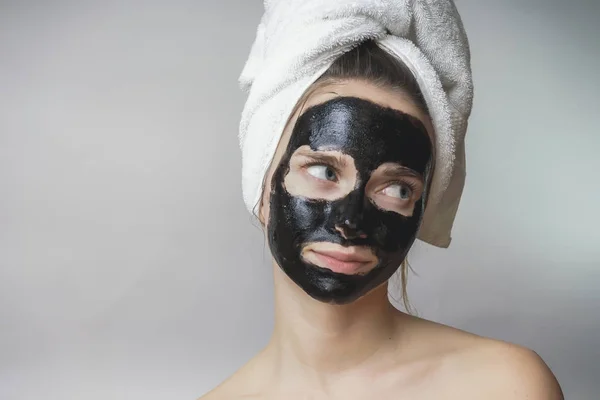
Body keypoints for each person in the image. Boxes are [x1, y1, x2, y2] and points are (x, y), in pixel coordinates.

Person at [202, 2, 564, 399]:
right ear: (263, 181)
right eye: (324, 172)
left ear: (422, 207)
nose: (350, 222)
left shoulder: (505, 386)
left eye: (397, 189)